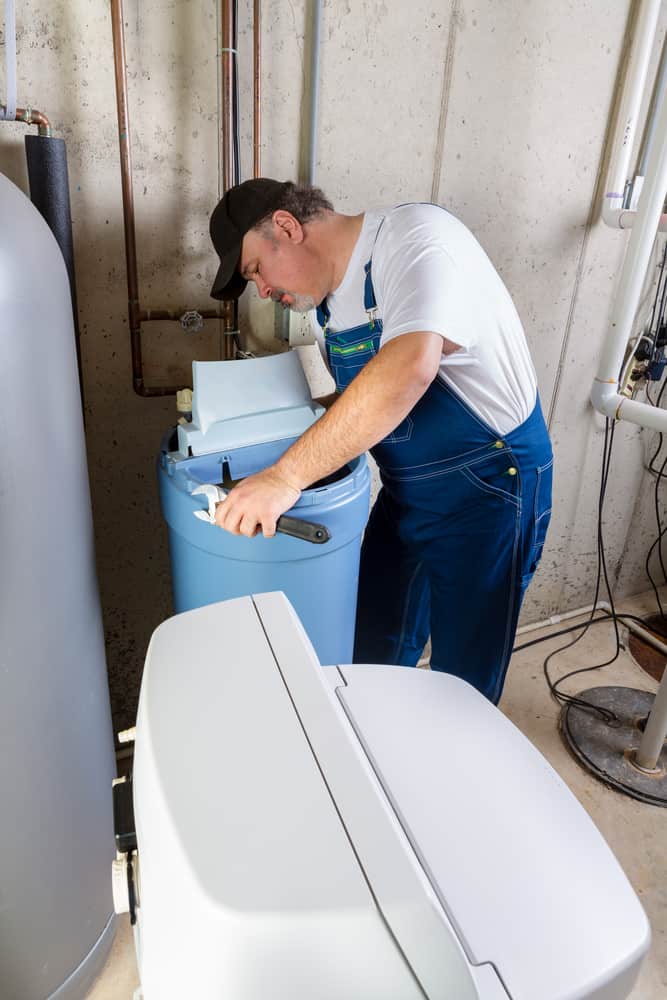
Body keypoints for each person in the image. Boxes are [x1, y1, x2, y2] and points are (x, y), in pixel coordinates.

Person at [208, 178, 553, 703]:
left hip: (488, 488)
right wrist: (255, 418)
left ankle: (446, 774)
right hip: (408, 491)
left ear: (286, 226)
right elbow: (359, 402)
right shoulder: (327, 308)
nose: (263, 291)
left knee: (463, 677)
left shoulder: (415, 239)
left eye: (256, 269)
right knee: (373, 643)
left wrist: (284, 477)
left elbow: (409, 366)